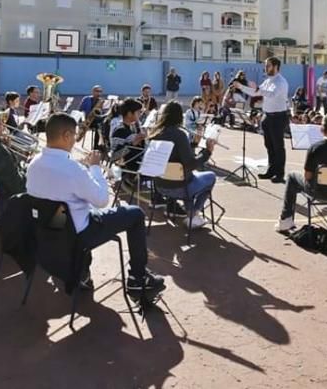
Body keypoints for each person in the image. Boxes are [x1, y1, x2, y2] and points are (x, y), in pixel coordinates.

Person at [26, 113, 166, 297]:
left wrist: (83, 171)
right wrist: (94, 168)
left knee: (75, 207)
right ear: (66, 135)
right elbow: (101, 200)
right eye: (74, 135)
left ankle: (82, 273)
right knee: (136, 214)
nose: (75, 140)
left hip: (49, 230)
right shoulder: (72, 169)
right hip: (78, 234)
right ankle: (137, 279)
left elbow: (55, 187)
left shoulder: (34, 164)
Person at [150, 101, 217, 229]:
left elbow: (175, 156)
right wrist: (207, 151)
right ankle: (193, 214)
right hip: (180, 187)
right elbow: (191, 164)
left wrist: (193, 144)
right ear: (179, 116)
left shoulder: (155, 134)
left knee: (186, 175)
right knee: (210, 176)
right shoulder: (180, 134)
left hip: (160, 186)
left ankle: (185, 212)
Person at [232, 57, 290, 183]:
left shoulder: (281, 82)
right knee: (269, 146)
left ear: (275, 67)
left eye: (268, 65)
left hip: (278, 117)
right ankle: (271, 170)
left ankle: (280, 174)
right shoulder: (268, 81)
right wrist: (241, 87)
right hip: (267, 116)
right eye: (265, 65)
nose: (265, 68)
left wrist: (259, 89)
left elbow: (271, 94)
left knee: (278, 147)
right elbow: (255, 93)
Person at [110, 99, 147, 171]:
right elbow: (115, 156)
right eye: (138, 112)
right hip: (128, 169)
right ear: (129, 113)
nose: (140, 115)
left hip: (138, 163)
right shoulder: (120, 131)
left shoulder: (134, 127)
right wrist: (133, 143)